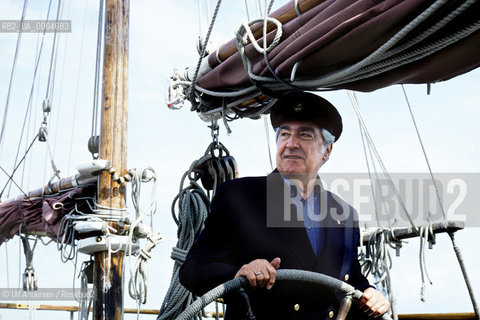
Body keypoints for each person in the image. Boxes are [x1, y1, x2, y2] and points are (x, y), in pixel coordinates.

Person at [179, 91, 390, 320]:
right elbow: (193, 270)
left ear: (327, 151)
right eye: (285, 134)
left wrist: (369, 292)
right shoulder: (239, 196)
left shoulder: (345, 214)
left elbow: (350, 279)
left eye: (305, 135)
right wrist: (239, 272)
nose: (291, 144)